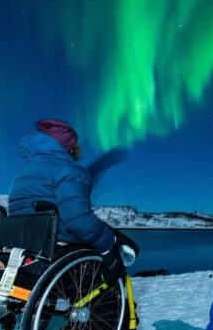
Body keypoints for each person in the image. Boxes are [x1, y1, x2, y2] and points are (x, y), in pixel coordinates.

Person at [8, 118, 128, 283]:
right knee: (111, 258)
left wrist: (102, 164)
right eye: (76, 145)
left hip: (22, 246)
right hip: (56, 247)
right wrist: (109, 244)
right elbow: (78, 221)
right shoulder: (69, 170)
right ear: (70, 147)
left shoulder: (25, 171)